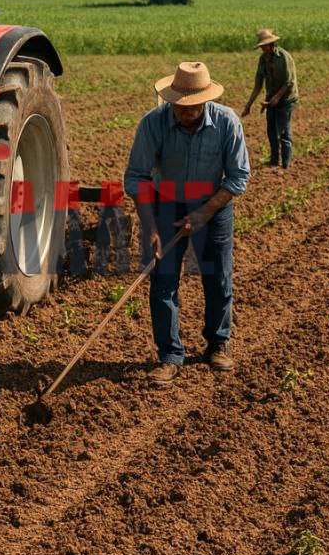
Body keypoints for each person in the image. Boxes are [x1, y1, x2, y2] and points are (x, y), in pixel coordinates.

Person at [124, 62, 250, 384]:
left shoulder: (227, 123)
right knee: (163, 281)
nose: (186, 112)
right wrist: (150, 228)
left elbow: (237, 178)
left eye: (193, 107)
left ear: (206, 101)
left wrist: (204, 213)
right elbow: (137, 178)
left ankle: (218, 343)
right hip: (167, 204)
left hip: (214, 204)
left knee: (218, 276)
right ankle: (169, 355)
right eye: (179, 106)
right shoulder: (153, 124)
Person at [241, 28, 299, 169]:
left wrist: (277, 98)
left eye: (264, 45)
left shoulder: (284, 57)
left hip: (286, 99)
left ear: (271, 44)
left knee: (284, 131)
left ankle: (285, 164)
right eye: (261, 46)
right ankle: (274, 161)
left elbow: (289, 82)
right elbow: (258, 84)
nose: (262, 48)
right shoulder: (263, 59)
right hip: (271, 99)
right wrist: (248, 105)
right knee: (271, 130)